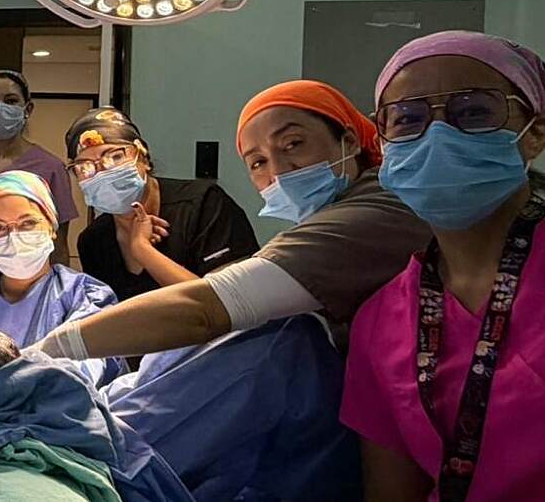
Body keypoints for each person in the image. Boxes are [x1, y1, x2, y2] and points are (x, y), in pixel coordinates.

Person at [28, 79, 432, 361]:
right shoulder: (95, 240)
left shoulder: (372, 210)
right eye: (258, 162)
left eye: (293, 144)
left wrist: (50, 350)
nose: (279, 171)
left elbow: (214, 308)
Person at [342, 31, 545, 501]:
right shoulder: (379, 322)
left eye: (473, 111)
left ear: (535, 131)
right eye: (407, 119)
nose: (437, 136)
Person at [0, 170, 123, 385]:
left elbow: (82, 375)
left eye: (28, 223)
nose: (14, 237)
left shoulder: (84, 297)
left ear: (52, 226)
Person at [66, 107, 259, 302]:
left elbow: (229, 302)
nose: (102, 172)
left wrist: (143, 250)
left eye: (115, 156)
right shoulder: (94, 240)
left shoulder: (202, 205)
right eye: (84, 167)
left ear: (143, 157)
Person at [0, 70, 78, 282]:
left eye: (10, 101)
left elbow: (59, 247)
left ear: (27, 109)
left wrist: (59, 294)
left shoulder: (50, 168)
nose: (0, 108)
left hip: (27, 292)